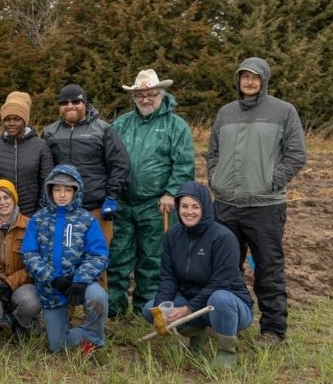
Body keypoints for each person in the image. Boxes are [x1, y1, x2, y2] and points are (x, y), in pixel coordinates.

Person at [206, 57, 306, 347]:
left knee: (268, 269)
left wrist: (272, 180)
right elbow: (212, 152)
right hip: (225, 205)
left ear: (264, 80)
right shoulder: (225, 113)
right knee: (225, 268)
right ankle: (230, 322)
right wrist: (215, 179)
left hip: (265, 206)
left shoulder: (283, 111)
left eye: (255, 77)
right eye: (244, 76)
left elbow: (296, 154)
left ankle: (273, 331)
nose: (249, 82)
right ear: (237, 79)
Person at [108, 69, 194, 318]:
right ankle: (114, 307)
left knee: (152, 259)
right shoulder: (121, 124)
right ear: (134, 97)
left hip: (156, 205)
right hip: (123, 203)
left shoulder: (175, 126)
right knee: (118, 257)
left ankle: (145, 309)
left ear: (161, 95)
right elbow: (109, 158)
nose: (145, 100)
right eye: (140, 95)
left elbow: (184, 164)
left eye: (150, 95)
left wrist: (170, 192)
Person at [141, 181, 254, 368]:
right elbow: (168, 277)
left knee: (219, 298)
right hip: (192, 303)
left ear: (205, 208)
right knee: (150, 309)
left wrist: (188, 309)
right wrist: (160, 310)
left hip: (229, 306)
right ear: (177, 207)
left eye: (195, 207)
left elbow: (220, 283)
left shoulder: (223, 238)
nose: (189, 212)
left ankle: (226, 351)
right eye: (184, 206)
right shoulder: (172, 235)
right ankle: (197, 332)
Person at [42, 83, 129, 276]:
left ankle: (98, 304)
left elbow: (120, 164)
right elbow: (45, 170)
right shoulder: (50, 133)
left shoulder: (103, 130)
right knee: (63, 261)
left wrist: (112, 196)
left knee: (97, 262)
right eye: (64, 103)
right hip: (63, 210)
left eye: (76, 101)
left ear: (85, 104)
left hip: (96, 209)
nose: (70, 106)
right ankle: (67, 305)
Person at [22, 164, 109, 355]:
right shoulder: (38, 219)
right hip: (51, 287)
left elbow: (98, 254)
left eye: (67, 190)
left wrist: (80, 280)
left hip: (80, 284)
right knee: (57, 347)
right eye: (57, 189)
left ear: (76, 191)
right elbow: (29, 255)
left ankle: (93, 335)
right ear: (49, 190)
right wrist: (53, 278)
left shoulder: (87, 220)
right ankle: (87, 337)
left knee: (99, 297)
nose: (62, 194)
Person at [0, 179, 41, 341]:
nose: (3, 202)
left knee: (31, 302)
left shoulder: (30, 225)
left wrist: (10, 283)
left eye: (7, 197)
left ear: (14, 199)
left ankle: (21, 323)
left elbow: (34, 263)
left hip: (21, 285)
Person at [0, 91, 53, 217]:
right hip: (3, 216)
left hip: (32, 216)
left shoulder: (40, 146)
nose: (11, 123)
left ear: (25, 120)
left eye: (16, 119)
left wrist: (40, 213)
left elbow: (46, 184)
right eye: (7, 119)